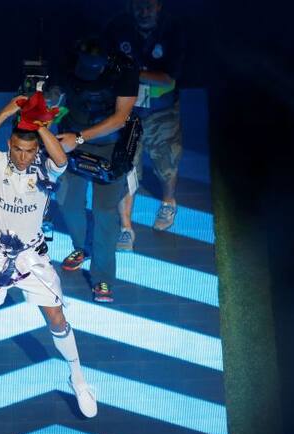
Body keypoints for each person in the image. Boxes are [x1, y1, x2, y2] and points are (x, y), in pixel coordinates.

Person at [0, 95, 97, 418]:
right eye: (18, 149)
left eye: (30, 150)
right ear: (10, 144)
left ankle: (78, 378)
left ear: (37, 149)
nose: (23, 157)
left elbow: (61, 160)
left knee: (56, 318)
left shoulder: (46, 171)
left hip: (31, 257)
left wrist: (39, 126)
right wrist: (6, 113)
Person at [54, 37, 138, 303]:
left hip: (109, 147)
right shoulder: (68, 61)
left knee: (104, 213)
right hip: (71, 140)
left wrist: (79, 138)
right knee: (67, 202)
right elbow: (57, 92)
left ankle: (103, 277)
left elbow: (120, 118)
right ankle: (82, 247)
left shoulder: (125, 69)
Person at [104, 0, 186, 249]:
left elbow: (168, 79)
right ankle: (125, 227)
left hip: (162, 110)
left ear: (159, 6)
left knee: (167, 164)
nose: (144, 12)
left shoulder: (173, 30)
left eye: (149, 6)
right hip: (127, 111)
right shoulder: (116, 27)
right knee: (126, 168)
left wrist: (131, 73)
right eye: (139, 6)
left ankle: (168, 202)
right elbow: (107, 67)